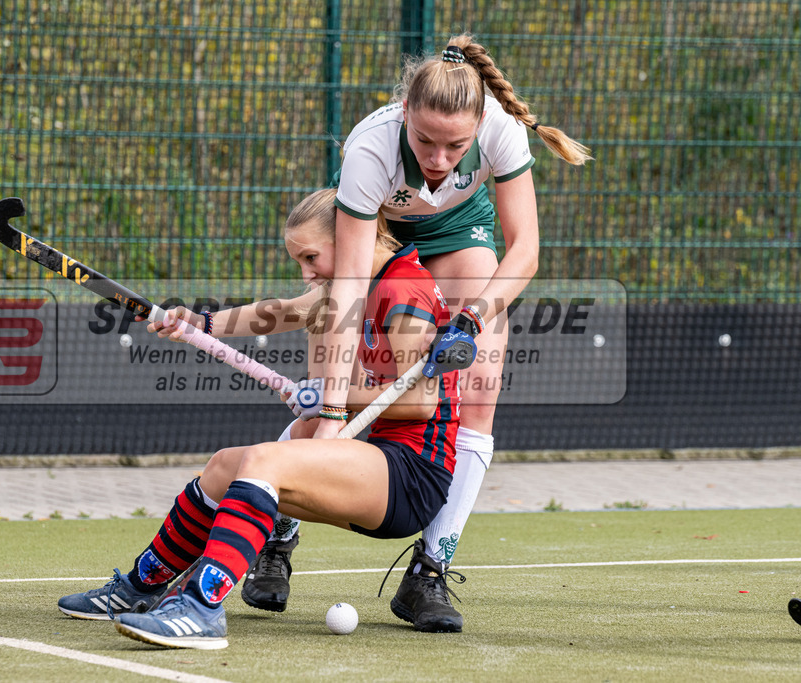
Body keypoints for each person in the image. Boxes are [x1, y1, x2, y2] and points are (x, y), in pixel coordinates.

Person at [242, 33, 591, 632]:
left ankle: (430, 569)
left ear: (481, 124)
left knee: (476, 395)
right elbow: (349, 284)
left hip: (461, 233)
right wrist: (331, 393)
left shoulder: (501, 129)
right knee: (339, 387)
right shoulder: (369, 150)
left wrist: (474, 318)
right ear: (405, 114)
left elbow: (526, 250)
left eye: (455, 145)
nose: (437, 158)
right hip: (380, 237)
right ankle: (279, 528)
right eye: (425, 140)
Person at [56, 188, 462, 649]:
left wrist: (330, 395)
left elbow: (421, 404)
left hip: (412, 476)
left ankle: (202, 608)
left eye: (311, 257)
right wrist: (199, 324)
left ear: (352, 234)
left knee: (265, 464)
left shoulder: (402, 288)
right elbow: (285, 312)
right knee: (224, 466)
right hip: (381, 459)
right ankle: (139, 588)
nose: (306, 273)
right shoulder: (359, 285)